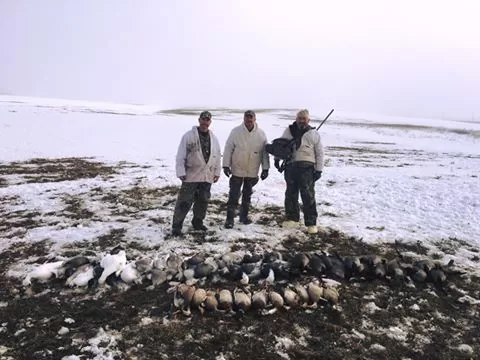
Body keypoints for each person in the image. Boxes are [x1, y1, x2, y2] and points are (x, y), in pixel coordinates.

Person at [171, 110, 221, 236]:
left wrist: (217, 172)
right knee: (184, 201)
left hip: (206, 176)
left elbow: (217, 157)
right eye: (203, 119)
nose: (205, 122)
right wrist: (181, 171)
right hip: (191, 175)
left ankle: (197, 222)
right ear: (199, 120)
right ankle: (177, 226)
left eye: (207, 120)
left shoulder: (214, 139)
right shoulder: (188, 136)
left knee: (203, 201)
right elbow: (181, 155)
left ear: (210, 122)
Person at [274, 109, 324, 234]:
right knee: (291, 193)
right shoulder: (289, 131)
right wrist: (276, 159)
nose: (301, 120)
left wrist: (319, 170)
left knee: (308, 195)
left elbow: (319, 153)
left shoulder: (314, 134)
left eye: (304, 118)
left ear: (308, 120)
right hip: (291, 166)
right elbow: (281, 146)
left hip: (307, 168)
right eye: (299, 118)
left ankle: (311, 223)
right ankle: (292, 219)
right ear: (296, 119)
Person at [222, 110, 270, 228]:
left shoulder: (261, 134)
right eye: (247, 118)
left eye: (251, 118)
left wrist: (265, 168)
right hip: (237, 169)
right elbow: (228, 149)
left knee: (247, 195)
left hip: (252, 171)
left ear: (254, 119)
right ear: (243, 119)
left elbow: (264, 153)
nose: (249, 120)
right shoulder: (236, 132)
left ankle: (243, 216)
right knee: (234, 195)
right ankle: (229, 218)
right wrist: (226, 165)